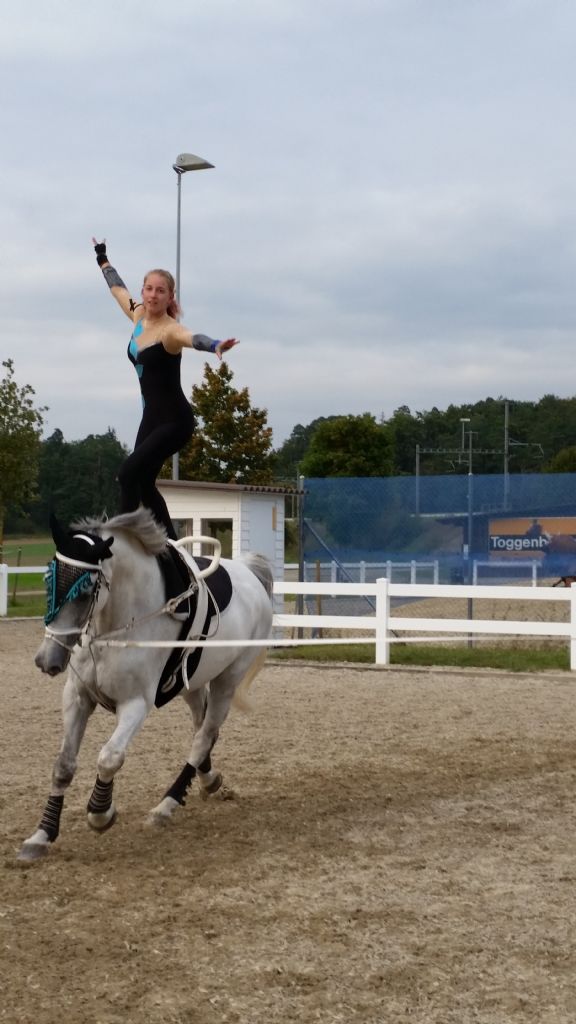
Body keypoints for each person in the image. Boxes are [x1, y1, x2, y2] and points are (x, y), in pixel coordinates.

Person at [92, 238, 238, 540]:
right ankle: (173, 547)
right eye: (149, 288)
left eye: (161, 290)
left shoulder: (170, 330)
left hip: (175, 421)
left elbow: (192, 337)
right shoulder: (138, 315)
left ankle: (118, 542)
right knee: (143, 484)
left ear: (170, 296)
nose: (153, 295)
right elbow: (118, 290)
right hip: (151, 419)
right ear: (143, 291)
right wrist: (103, 259)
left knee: (128, 473)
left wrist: (215, 346)